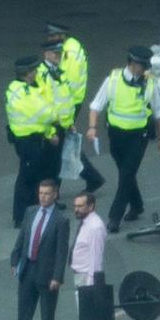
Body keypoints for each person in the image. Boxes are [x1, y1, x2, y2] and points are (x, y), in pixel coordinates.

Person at [86, 45, 160, 233]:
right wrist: (92, 127)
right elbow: (96, 105)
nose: (146, 69)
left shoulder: (150, 83)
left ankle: (115, 217)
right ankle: (137, 205)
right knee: (126, 172)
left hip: (139, 137)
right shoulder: (113, 80)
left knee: (126, 174)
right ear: (132, 64)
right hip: (116, 136)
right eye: (142, 65)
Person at [8, 179, 69, 320]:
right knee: (24, 308)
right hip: (28, 267)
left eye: (47, 193)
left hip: (47, 272)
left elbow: (61, 251)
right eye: (41, 193)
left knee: (47, 311)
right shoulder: (30, 212)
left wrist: (57, 277)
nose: (43, 197)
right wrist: (15, 259)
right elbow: (23, 237)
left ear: (55, 195)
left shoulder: (61, 220)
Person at [43, 21, 104, 193]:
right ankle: (92, 177)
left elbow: (64, 83)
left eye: (54, 36)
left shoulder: (68, 53)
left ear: (62, 35)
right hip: (71, 103)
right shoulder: (73, 45)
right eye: (49, 37)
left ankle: (88, 178)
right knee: (64, 145)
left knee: (61, 146)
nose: (51, 40)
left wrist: (64, 115)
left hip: (67, 105)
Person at [5, 55, 59, 227]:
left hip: (31, 138)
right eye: (34, 70)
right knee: (26, 177)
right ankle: (20, 217)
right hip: (27, 140)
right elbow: (44, 113)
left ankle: (31, 212)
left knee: (33, 174)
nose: (37, 73)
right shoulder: (22, 92)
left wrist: (49, 132)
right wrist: (52, 125)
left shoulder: (22, 88)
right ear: (27, 73)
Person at [35, 40, 75, 193]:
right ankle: (48, 197)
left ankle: (53, 196)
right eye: (54, 53)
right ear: (46, 54)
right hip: (51, 127)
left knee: (57, 164)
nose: (58, 56)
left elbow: (65, 99)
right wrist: (50, 131)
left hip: (61, 125)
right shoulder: (42, 74)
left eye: (60, 53)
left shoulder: (57, 71)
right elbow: (43, 105)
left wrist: (69, 122)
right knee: (49, 166)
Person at [70, 191, 106, 292]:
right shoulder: (86, 222)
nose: (76, 209)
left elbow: (96, 258)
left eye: (80, 206)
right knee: (80, 304)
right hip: (80, 273)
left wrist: (91, 285)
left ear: (91, 207)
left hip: (87, 276)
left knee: (84, 304)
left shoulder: (95, 228)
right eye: (75, 206)